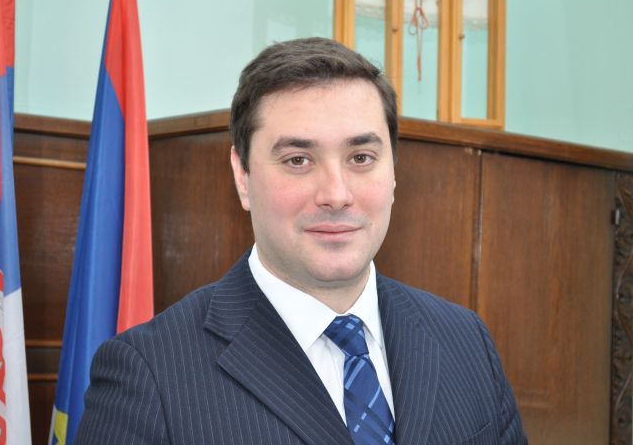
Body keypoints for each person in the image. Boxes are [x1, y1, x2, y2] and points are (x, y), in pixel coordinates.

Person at [76, 37, 527, 445]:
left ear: (393, 171)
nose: (336, 194)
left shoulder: (467, 342)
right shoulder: (149, 373)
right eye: (298, 160)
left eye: (361, 157)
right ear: (242, 176)